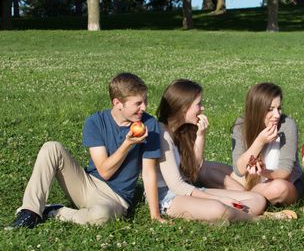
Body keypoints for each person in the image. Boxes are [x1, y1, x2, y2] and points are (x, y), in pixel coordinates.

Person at [7, 73, 161, 228]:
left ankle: (53, 212)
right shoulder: (96, 122)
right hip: (88, 184)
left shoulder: (149, 124)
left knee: (100, 216)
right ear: (118, 103)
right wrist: (127, 144)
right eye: (138, 103)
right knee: (51, 147)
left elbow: (148, 172)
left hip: (116, 199)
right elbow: (105, 171)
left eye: (145, 101)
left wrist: (155, 216)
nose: (144, 107)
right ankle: (30, 212)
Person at [154, 79, 269, 223]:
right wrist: (220, 199)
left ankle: (231, 215)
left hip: (188, 190)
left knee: (257, 198)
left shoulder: (182, 130)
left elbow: (193, 170)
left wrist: (201, 136)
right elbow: (176, 186)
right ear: (184, 107)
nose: (202, 108)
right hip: (168, 196)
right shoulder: (162, 135)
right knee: (219, 208)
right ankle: (254, 219)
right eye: (198, 104)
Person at [230, 82, 304, 210]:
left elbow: (285, 173)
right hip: (252, 180)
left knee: (278, 188)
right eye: (270, 109)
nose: (277, 115)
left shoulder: (287, 125)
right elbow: (239, 169)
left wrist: (263, 172)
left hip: (285, 183)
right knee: (213, 171)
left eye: (279, 108)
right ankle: (249, 199)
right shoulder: (242, 124)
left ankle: (239, 202)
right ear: (257, 109)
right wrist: (259, 142)